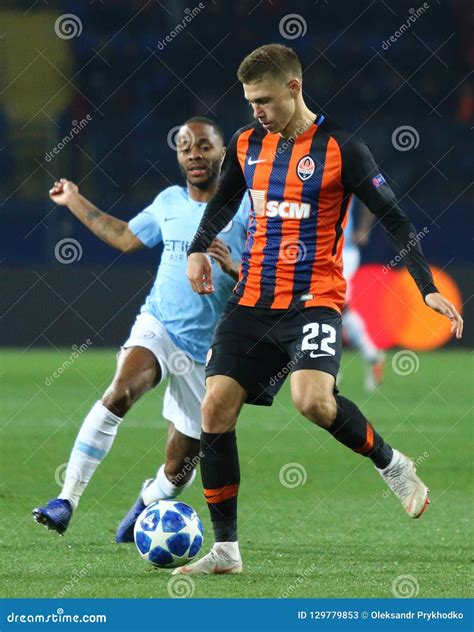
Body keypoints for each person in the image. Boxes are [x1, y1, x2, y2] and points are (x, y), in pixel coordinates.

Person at [178, 44, 464, 575]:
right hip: (253, 299)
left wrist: (425, 286)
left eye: (263, 100)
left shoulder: (342, 150)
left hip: (314, 302)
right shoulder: (246, 144)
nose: (255, 112)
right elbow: (222, 201)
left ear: (294, 87)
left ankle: (393, 464)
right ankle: (226, 551)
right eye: (249, 102)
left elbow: (397, 219)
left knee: (312, 402)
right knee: (214, 408)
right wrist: (199, 246)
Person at [33, 117, 250, 541]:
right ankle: (67, 499)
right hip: (159, 325)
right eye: (185, 146)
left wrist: (232, 266)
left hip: (208, 352)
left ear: (222, 153)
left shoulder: (246, 209)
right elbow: (125, 236)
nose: (194, 154)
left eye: (204, 146)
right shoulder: (169, 201)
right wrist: (74, 199)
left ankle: (148, 502)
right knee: (120, 392)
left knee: (181, 463)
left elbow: (265, 280)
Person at [341, 196, 385, 392]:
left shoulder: (345, 167)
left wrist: (364, 229)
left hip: (343, 252)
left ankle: (328, 367)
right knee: (333, 307)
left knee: (334, 305)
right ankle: (372, 354)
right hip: (315, 251)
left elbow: (373, 194)